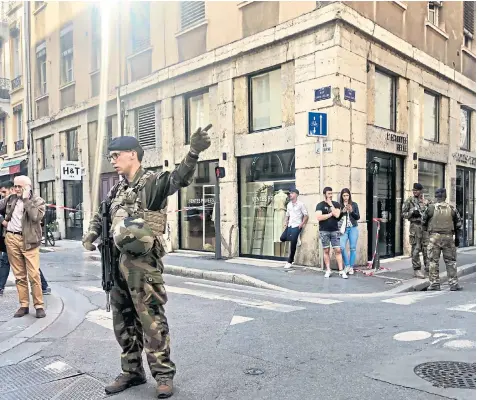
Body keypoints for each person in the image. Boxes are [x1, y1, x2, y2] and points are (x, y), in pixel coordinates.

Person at [82, 125, 212, 399]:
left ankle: (163, 375)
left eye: (116, 155)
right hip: (115, 264)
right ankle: (132, 371)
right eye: (111, 157)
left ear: (133, 154)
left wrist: (193, 152)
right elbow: (101, 213)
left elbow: (178, 179)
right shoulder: (115, 190)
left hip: (142, 266)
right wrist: (92, 233)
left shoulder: (151, 184)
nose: (113, 160)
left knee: (151, 320)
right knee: (122, 321)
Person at [0, 176, 46, 318]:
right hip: (12, 238)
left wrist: (26, 200)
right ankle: (24, 305)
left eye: (20, 187)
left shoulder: (38, 201)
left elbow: (35, 217)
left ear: (28, 187)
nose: (17, 189)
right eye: (15, 186)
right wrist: (2, 221)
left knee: (34, 274)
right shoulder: (11, 199)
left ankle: (39, 306)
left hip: (29, 241)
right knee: (19, 275)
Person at [422, 188, 463, 291]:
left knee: (433, 262)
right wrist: (457, 238)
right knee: (451, 262)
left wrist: (428, 232)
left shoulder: (430, 208)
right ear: (445, 196)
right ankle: (453, 284)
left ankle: (435, 284)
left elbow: (423, 221)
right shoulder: (452, 208)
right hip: (448, 238)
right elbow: (458, 225)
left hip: (434, 238)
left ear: (436, 197)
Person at [315, 187, 347, 279]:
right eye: (329, 193)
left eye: (331, 193)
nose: (331, 195)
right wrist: (329, 214)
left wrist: (330, 205)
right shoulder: (320, 205)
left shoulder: (336, 204)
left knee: (338, 250)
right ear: (325, 194)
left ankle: (341, 271)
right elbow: (319, 217)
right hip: (324, 231)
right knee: (326, 250)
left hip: (334, 230)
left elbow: (337, 215)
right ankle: (328, 270)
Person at [402, 183, 431, 279]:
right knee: (416, 249)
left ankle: (428, 269)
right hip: (415, 226)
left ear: (421, 191)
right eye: (413, 190)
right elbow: (403, 214)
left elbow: (432, 213)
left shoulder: (427, 201)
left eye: (417, 190)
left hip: (425, 227)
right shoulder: (409, 201)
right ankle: (417, 270)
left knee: (427, 249)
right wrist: (411, 213)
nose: (415, 192)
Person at [280, 188, 308, 269]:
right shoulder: (288, 204)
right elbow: (287, 215)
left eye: (292, 193)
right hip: (290, 225)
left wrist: (301, 224)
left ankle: (290, 261)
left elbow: (306, 215)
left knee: (293, 244)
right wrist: (286, 222)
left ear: (296, 194)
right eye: (290, 193)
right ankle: (296, 237)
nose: (290, 195)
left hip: (297, 226)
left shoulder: (301, 204)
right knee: (282, 238)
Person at [338, 188, 360, 275]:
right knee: (342, 247)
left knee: (353, 248)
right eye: (344, 196)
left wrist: (351, 211)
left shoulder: (354, 204)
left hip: (353, 228)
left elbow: (357, 217)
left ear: (349, 196)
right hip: (343, 229)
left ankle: (351, 267)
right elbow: (336, 218)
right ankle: (346, 265)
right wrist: (342, 212)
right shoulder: (339, 205)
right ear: (342, 196)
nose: (345, 197)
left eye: (347, 195)